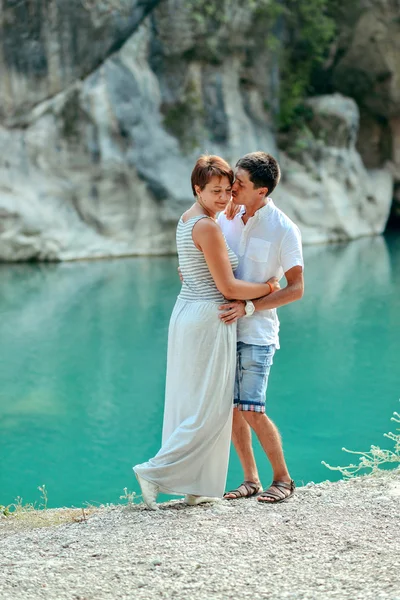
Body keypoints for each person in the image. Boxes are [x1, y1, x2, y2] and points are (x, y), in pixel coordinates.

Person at [133, 155, 279, 510]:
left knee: (195, 403)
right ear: (197, 188)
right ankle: (154, 472)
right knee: (210, 409)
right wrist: (269, 287)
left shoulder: (189, 219)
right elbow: (227, 284)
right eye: (215, 191)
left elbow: (194, 270)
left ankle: (196, 485)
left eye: (228, 191)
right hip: (208, 318)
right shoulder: (208, 227)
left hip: (189, 313)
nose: (224, 198)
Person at [218, 151, 304, 503]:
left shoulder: (284, 229)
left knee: (252, 408)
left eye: (240, 183)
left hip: (257, 333)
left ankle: (283, 479)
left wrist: (249, 306)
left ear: (262, 191)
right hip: (222, 331)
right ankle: (250, 479)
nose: (231, 187)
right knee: (234, 410)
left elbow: (296, 289)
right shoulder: (227, 216)